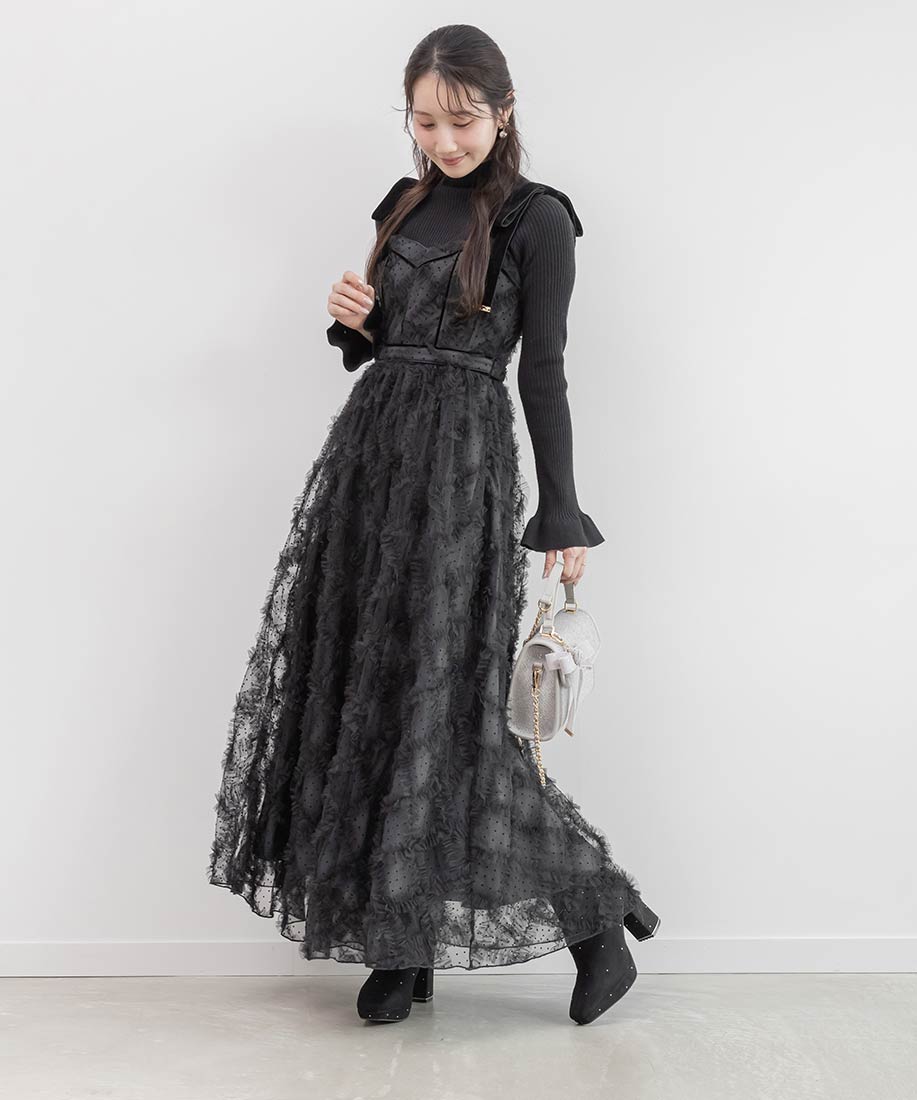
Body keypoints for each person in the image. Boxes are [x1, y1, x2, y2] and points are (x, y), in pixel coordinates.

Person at [207, 23, 660, 1026]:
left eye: (462, 120)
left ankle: (594, 920)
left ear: (503, 112)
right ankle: (397, 945)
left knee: (442, 704)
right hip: (369, 459)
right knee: (362, 693)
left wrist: (561, 509)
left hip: (460, 466)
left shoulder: (540, 218)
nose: (444, 141)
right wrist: (351, 321)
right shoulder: (401, 202)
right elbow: (376, 347)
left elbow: (543, 370)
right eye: (424, 121)